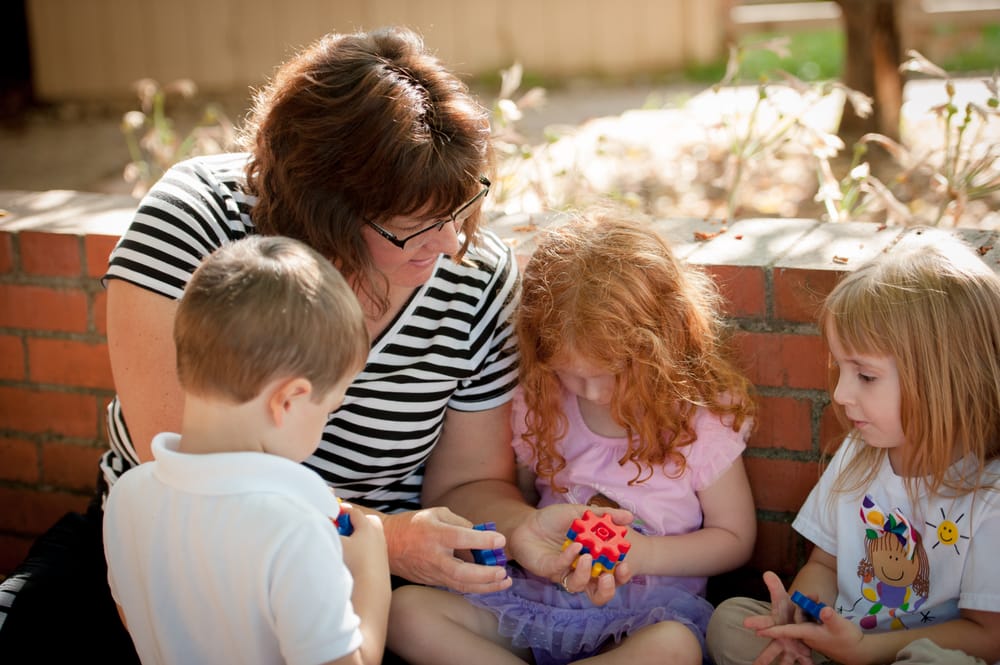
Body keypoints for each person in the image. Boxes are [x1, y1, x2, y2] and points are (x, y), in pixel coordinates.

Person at [0, 25, 597, 662]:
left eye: (459, 208)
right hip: (166, 553)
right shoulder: (197, 216)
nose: (450, 244)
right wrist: (379, 538)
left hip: (359, 585)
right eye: (410, 228)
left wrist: (516, 528)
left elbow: (470, 479)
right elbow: (179, 454)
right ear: (323, 210)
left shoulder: (476, 275)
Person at [387, 215, 758, 665]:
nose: (595, 393)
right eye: (574, 375)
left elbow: (735, 538)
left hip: (641, 620)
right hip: (542, 602)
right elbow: (521, 500)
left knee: (674, 648)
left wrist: (649, 554)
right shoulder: (542, 406)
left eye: (612, 374)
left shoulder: (697, 422)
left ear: (664, 346)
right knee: (406, 611)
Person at [705, 231, 1000, 665]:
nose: (841, 393)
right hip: (838, 647)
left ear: (943, 379)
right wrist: (803, 617)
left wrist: (865, 652)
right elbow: (823, 566)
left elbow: (987, 635)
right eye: (840, 369)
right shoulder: (857, 455)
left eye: (865, 375)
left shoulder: (987, 493)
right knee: (730, 623)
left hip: (906, 655)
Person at [103, 235, 390, 665]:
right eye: (330, 409)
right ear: (288, 400)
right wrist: (372, 575)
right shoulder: (295, 531)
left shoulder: (127, 496)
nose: (326, 421)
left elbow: (134, 620)